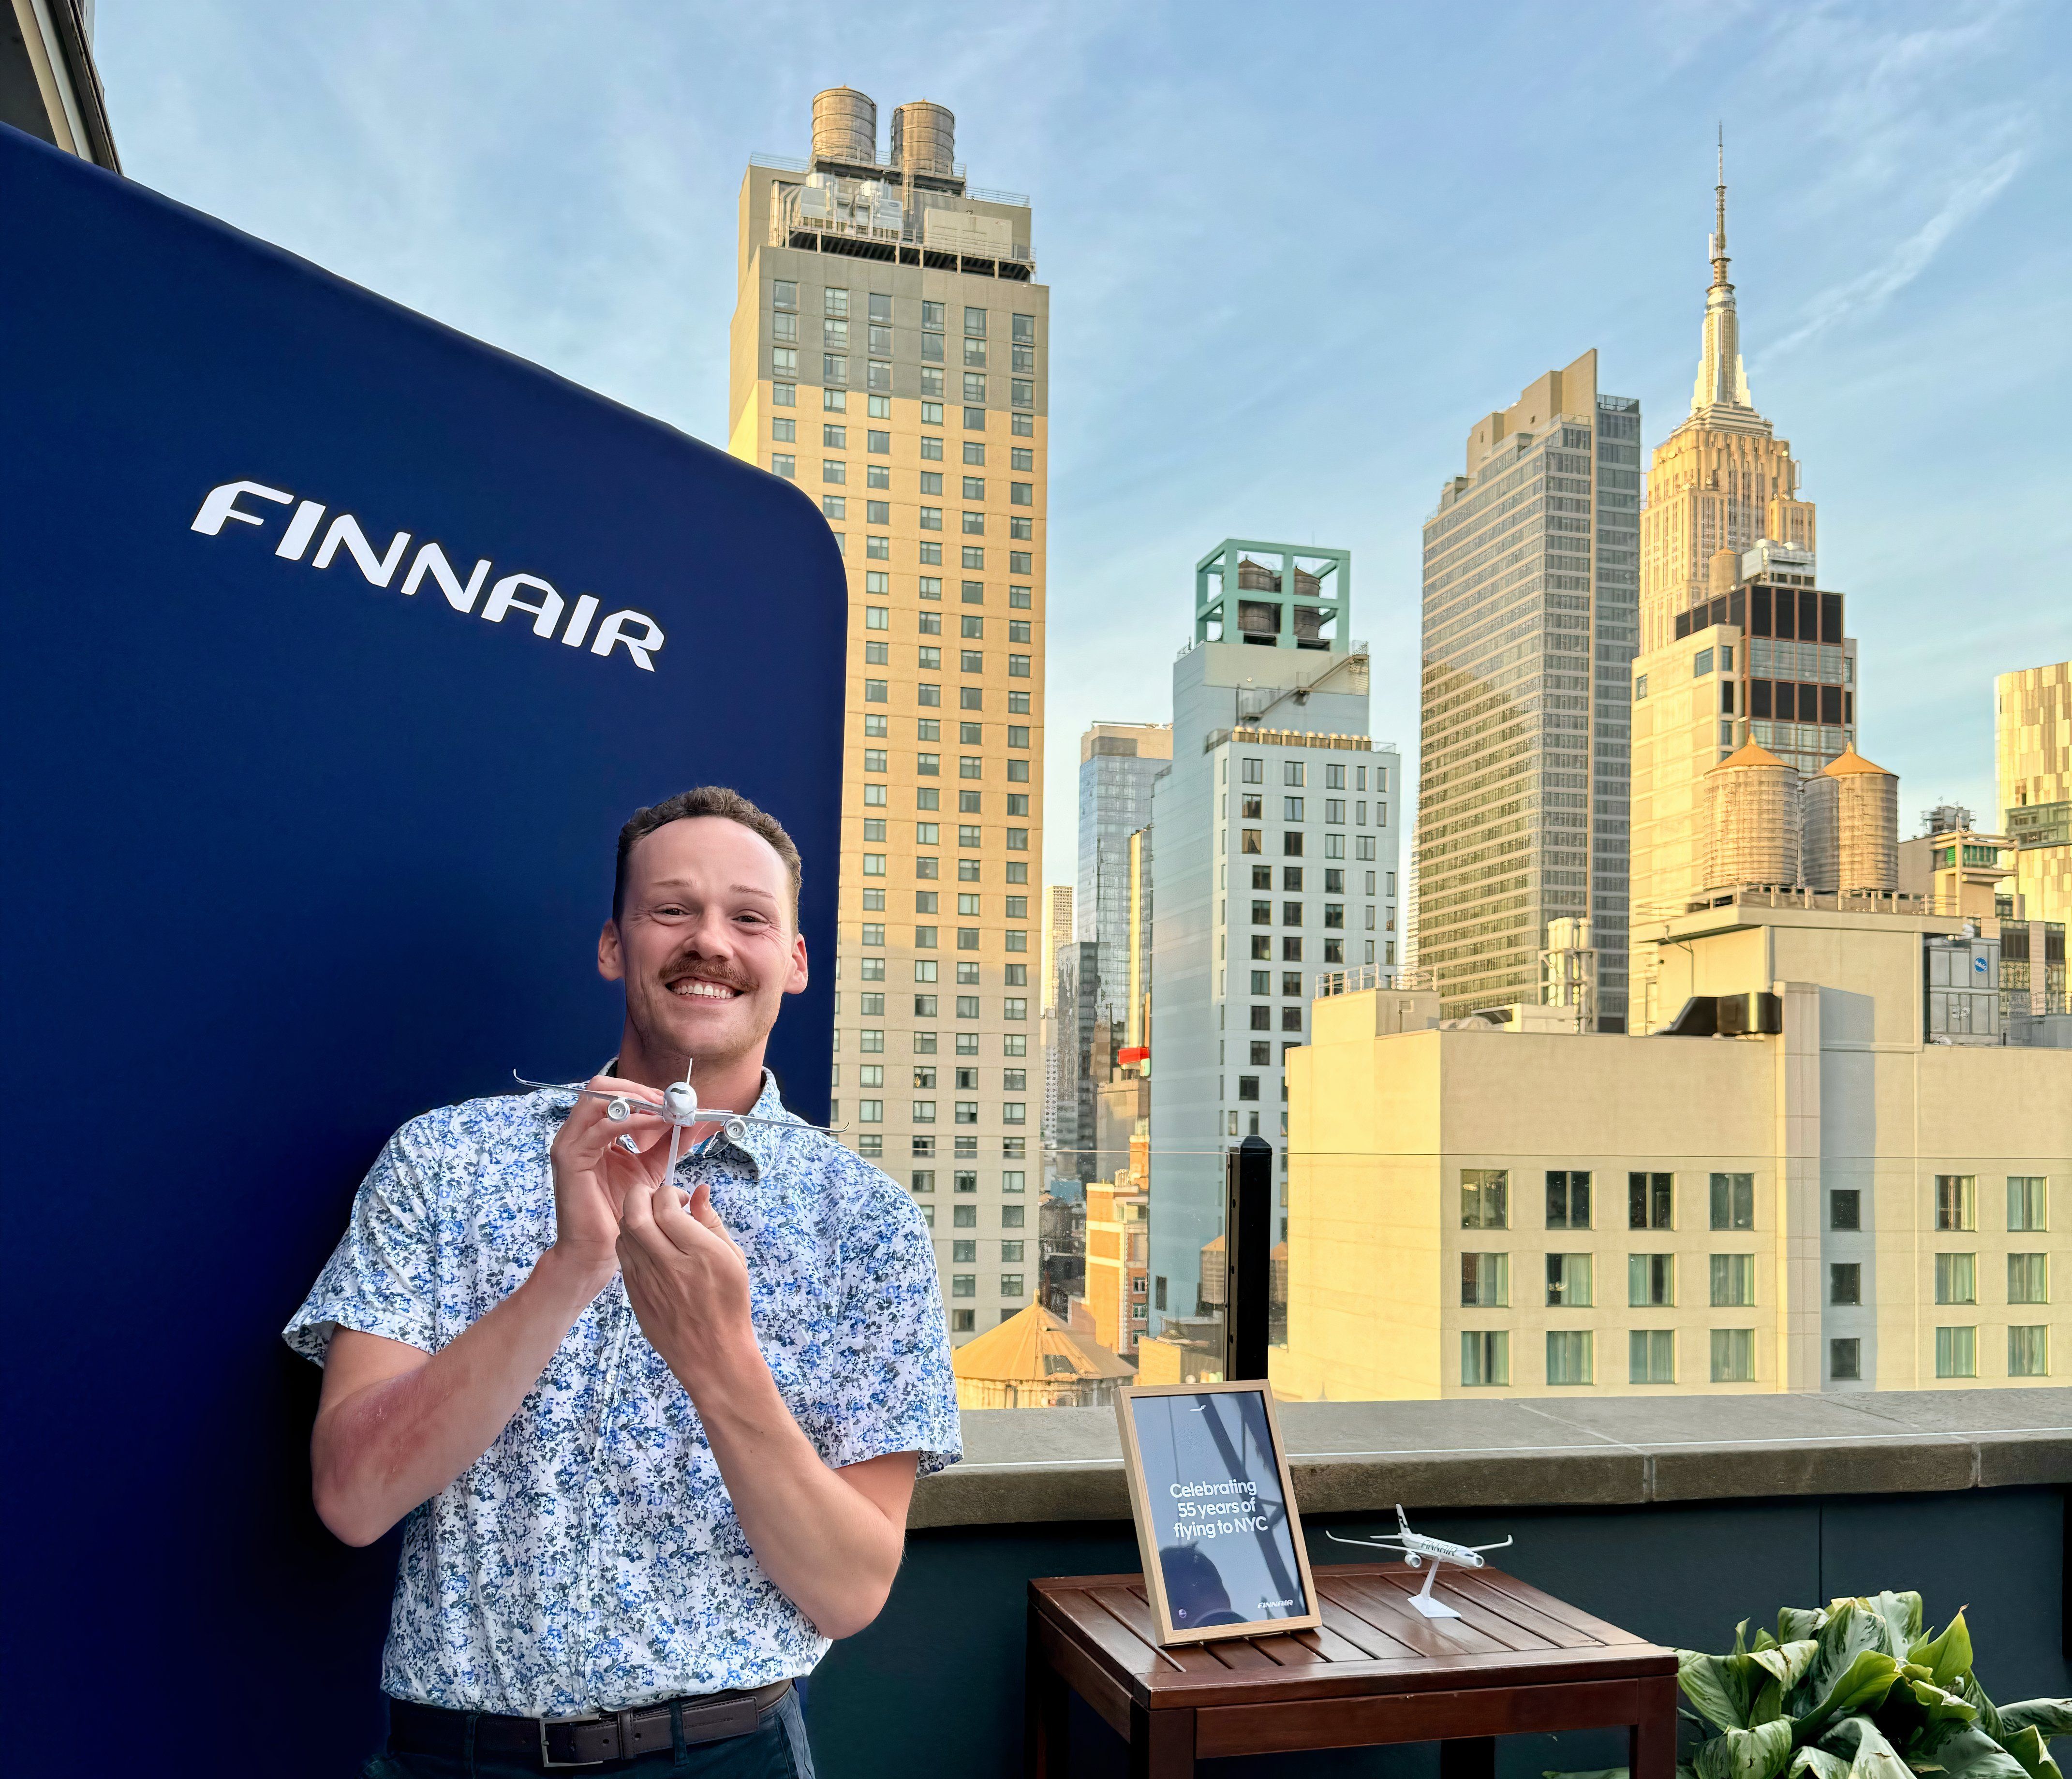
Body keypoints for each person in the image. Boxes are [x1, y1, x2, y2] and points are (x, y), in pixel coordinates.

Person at [284, 787, 959, 1777]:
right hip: (454, 1756)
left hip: (730, 1756)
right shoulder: (445, 1159)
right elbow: (351, 1495)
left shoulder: (869, 1223)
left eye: (749, 917)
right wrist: (567, 1271)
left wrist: (720, 1361)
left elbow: (851, 1589)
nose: (710, 942)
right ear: (614, 946)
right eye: (672, 910)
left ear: (796, 961)